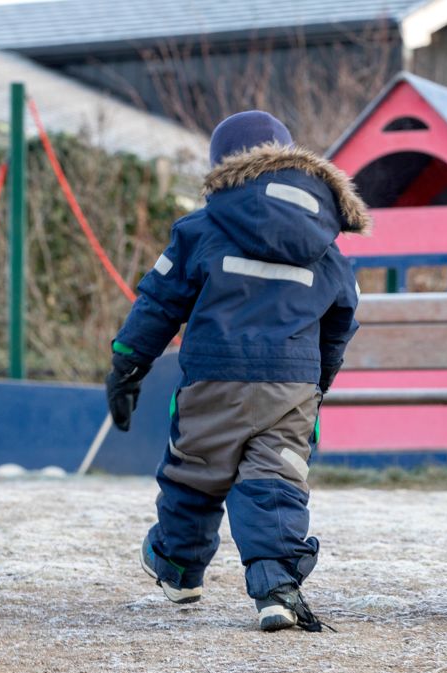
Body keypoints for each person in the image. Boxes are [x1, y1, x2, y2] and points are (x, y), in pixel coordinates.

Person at [105, 110, 369, 631]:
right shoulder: (325, 242)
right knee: (275, 477)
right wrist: (319, 383)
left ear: (222, 167)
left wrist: (127, 363)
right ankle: (276, 586)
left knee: (196, 472)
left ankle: (179, 569)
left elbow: (159, 302)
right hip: (291, 383)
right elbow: (342, 319)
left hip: (214, 376)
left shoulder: (201, 227)